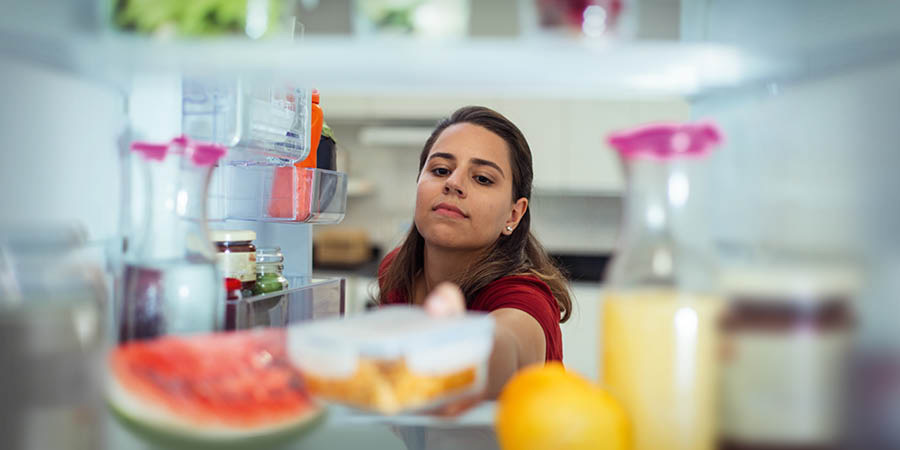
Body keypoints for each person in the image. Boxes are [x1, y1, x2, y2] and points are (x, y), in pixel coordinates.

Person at [377, 106, 572, 399]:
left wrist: (465, 341)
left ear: (513, 215)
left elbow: (506, 342)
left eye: (482, 178)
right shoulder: (395, 271)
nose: (453, 183)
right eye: (440, 170)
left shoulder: (525, 299)